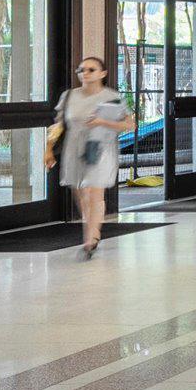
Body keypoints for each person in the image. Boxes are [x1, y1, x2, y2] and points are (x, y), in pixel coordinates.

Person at [46, 56, 136, 257]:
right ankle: (91, 228)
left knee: (94, 191)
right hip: (74, 148)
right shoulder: (69, 96)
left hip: (100, 148)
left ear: (102, 74)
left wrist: (103, 122)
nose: (85, 73)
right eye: (81, 70)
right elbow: (58, 125)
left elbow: (130, 125)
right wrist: (49, 148)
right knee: (81, 192)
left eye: (91, 69)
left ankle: (92, 235)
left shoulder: (112, 97)